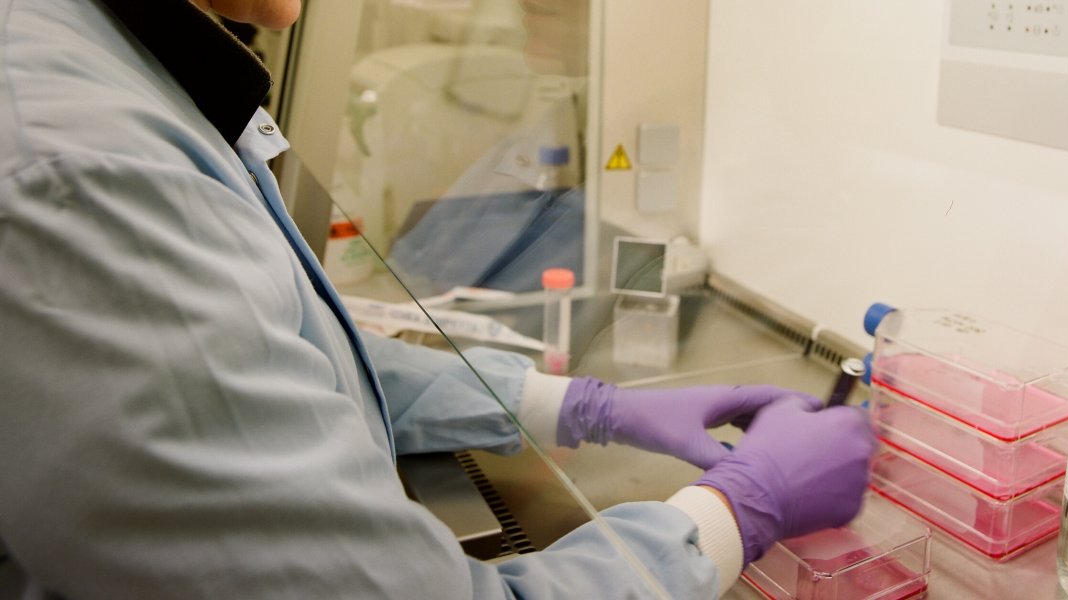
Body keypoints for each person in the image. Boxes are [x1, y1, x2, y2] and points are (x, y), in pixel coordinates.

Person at [0, 0, 876, 598]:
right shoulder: (82, 159)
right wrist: (732, 511)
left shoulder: (107, 67)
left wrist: (579, 404)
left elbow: (272, 348)